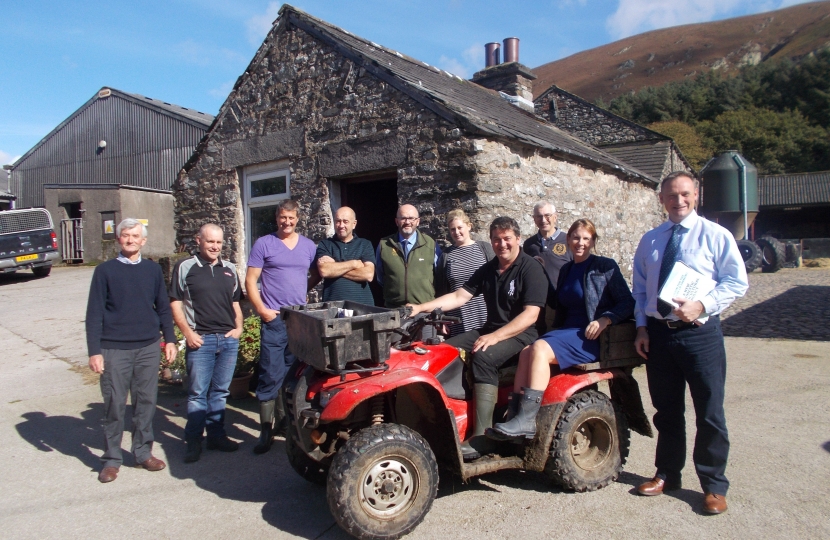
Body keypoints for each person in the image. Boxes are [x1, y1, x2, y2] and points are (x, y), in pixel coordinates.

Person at [632, 171, 748, 515]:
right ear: (661, 199)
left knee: (710, 412)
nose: (678, 201)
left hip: (700, 335)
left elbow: (736, 282)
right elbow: (640, 291)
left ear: (696, 195)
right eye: (671, 195)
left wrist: (703, 305)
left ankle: (713, 486)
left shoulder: (715, 235)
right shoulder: (651, 240)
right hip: (660, 335)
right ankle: (668, 474)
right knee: (667, 412)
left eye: (684, 194)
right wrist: (641, 328)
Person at [409, 216, 548, 460]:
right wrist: (421, 308)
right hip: (491, 328)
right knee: (446, 351)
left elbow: (530, 315)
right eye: (496, 239)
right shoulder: (489, 269)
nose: (501, 244)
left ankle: (483, 437)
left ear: (518, 239)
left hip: (523, 333)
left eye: (507, 239)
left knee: (483, 356)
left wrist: (495, 336)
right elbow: (459, 297)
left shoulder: (530, 268)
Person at [487, 218, 634, 441]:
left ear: (593, 241)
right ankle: (514, 414)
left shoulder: (605, 266)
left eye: (586, 238)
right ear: (568, 240)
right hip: (568, 331)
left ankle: (527, 420)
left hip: (591, 335)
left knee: (539, 349)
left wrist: (605, 319)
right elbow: (556, 301)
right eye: (576, 237)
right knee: (527, 351)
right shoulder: (567, 269)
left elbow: (627, 302)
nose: (580, 242)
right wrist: (540, 271)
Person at [86, 218, 177, 483]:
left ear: (143, 240)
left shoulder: (152, 270)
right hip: (114, 348)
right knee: (114, 404)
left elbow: (163, 307)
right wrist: (94, 351)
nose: (130, 240)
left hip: (148, 346)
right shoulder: (104, 271)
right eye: (125, 235)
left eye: (135, 236)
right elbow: (94, 314)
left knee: (146, 403)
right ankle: (112, 459)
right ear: (118, 239)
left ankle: (142, 453)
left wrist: (169, 340)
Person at [245, 200, 318, 454]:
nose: (286, 222)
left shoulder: (308, 246)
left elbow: (316, 273)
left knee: (293, 375)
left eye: (291, 218)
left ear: (298, 219)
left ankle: (286, 424)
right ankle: (265, 430)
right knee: (270, 374)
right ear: (276, 218)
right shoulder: (264, 244)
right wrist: (262, 310)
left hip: (298, 321)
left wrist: (303, 294)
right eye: (282, 217)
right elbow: (250, 281)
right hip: (274, 321)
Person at [170, 224, 243, 463]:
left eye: (219, 243)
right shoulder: (185, 267)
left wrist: (239, 328)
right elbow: (175, 303)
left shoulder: (230, 269)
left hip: (227, 340)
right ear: (198, 240)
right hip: (200, 340)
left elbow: (235, 304)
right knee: (197, 394)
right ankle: (193, 441)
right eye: (210, 242)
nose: (215, 247)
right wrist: (187, 333)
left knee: (220, 392)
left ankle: (216, 436)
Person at [434, 209, 494, 337]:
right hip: (458, 318)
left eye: (460, 227)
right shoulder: (446, 256)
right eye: (452, 229)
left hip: (484, 314)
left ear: (469, 226)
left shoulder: (484, 249)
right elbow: (441, 291)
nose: (456, 232)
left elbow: (497, 280)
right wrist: (441, 318)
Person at [375, 204, 440, 308]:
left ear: (418, 221)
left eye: (411, 218)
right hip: (394, 309)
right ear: (396, 221)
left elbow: (439, 277)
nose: (407, 222)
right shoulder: (384, 245)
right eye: (403, 218)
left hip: (424, 310)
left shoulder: (431, 245)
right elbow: (380, 276)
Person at [316, 206, 376, 304]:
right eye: (338, 221)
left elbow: (368, 274)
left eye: (345, 221)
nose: (341, 225)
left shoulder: (365, 244)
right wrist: (354, 264)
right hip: (333, 306)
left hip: (363, 306)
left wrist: (335, 267)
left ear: (354, 224)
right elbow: (325, 271)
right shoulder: (325, 244)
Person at [523, 201, 572, 290]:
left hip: (562, 298)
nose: (543, 220)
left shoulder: (568, 241)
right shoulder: (529, 244)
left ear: (555, 217)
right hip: (538, 298)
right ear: (534, 219)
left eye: (547, 215)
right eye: (539, 216)